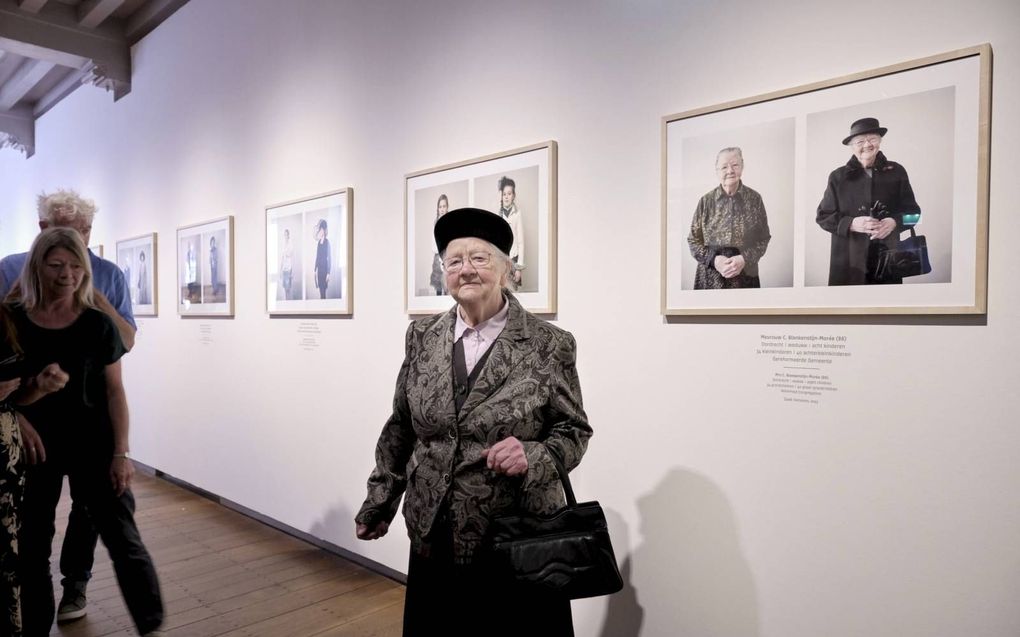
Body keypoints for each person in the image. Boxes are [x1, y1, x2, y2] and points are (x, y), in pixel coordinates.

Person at [355, 207, 591, 637]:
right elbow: (401, 426)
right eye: (454, 261)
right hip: (434, 532)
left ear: (506, 269)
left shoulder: (547, 345)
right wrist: (381, 499)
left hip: (514, 537)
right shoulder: (422, 337)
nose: (466, 270)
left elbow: (574, 431)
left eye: (479, 258)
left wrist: (534, 454)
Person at [7, 228, 163, 637]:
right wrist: (36, 388)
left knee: (123, 537)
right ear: (36, 266)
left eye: (76, 266)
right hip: (35, 448)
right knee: (32, 546)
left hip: (94, 446)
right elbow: (6, 394)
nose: (67, 275)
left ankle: (152, 625)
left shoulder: (99, 325)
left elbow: (115, 392)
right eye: (56, 265)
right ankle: (35, 628)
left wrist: (122, 453)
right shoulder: (14, 322)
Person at [816, 117, 921, 285]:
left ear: (879, 141)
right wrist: (850, 223)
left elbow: (915, 215)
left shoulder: (897, 171)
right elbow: (823, 217)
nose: (867, 145)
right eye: (860, 141)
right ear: (852, 146)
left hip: (888, 259)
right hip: (848, 262)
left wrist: (894, 222)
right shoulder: (838, 177)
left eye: (872, 139)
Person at [687, 147, 771, 289]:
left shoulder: (754, 199)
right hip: (709, 281)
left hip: (745, 279)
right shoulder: (705, 201)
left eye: (735, 165)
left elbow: (763, 239)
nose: (730, 171)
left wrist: (744, 258)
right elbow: (693, 241)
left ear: (742, 166)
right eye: (724, 167)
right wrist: (714, 260)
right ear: (717, 170)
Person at [497, 176, 525, 289]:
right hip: (501, 261)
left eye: (509, 194)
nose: (507, 197)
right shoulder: (499, 214)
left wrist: (519, 268)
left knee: (513, 294)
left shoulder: (517, 214)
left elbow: (521, 242)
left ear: (513, 195)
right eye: (504, 194)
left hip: (513, 259)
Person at [430, 194, 450, 295]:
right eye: (440, 207)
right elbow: (433, 241)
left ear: (447, 207)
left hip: (447, 254)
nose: (442, 209)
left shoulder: (449, 221)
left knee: (447, 282)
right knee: (438, 282)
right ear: (438, 208)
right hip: (438, 255)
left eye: (444, 206)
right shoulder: (436, 222)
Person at [313, 219, 331, 300]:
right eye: (320, 229)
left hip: (325, 270)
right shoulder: (319, 243)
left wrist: (328, 273)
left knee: (323, 292)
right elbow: (317, 257)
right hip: (319, 270)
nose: (320, 231)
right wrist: (314, 269)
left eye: (321, 229)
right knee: (321, 291)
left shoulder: (327, 242)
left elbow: (329, 258)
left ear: (324, 230)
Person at [280, 229, 294, 300]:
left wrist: (292, 271)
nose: (285, 236)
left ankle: (289, 303)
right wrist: (280, 269)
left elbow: (291, 256)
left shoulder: (290, 244)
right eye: (284, 234)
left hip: (289, 268)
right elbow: (282, 257)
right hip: (284, 269)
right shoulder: (283, 245)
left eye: (286, 234)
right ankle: (286, 302)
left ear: (288, 235)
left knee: (288, 288)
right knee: (285, 288)